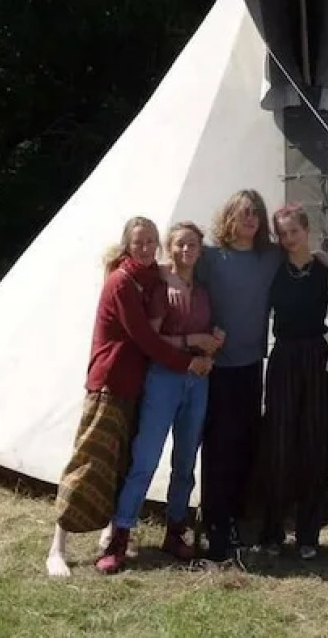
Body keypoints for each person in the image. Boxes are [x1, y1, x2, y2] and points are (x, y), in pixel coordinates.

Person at [46, 217, 210, 577]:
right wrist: (191, 356)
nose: (147, 247)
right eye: (140, 242)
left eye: (152, 241)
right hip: (110, 382)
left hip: (135, 386)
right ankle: (63, 545)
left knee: (129, 463)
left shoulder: (153, 278)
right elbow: (146, 339)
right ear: (127, 245)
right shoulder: (123, 282)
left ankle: (150, 531)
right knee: (92, 461)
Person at [96, 221, 222, 573]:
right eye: (180, 245)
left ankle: (175, 530)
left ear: (200, 250)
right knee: (146, 458)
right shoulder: (159, 287)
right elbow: (150, 340)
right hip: (165, 378)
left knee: (185, 461)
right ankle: (121, 536)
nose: (186, 251)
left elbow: (204, 336)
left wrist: (210, 346)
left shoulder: (202, 290)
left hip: (197, 380)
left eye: (192, 245)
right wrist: (192, 342)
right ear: (170, 248)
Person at [193, 188, 279, 562]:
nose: (250, 219)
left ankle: (237, 518)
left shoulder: (269, 257)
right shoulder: (211, 257)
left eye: (256, 214)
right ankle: (215, 522)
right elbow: (177, 276)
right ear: (229, 217)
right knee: (219, 448)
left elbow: (304, 253)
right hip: (217, 367)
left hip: (250, 365)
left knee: (245, 445)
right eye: (244, 212)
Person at [255, 204, 328, 559]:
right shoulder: (274, 267)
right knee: (279, 443)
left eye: (294, 231)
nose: (289, 239)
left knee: (316, 444)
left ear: (307, 229)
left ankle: (308, 534)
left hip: (317, 358)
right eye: (283, 233)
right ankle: (272, 531)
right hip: (284, 356)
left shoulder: (325, 269)